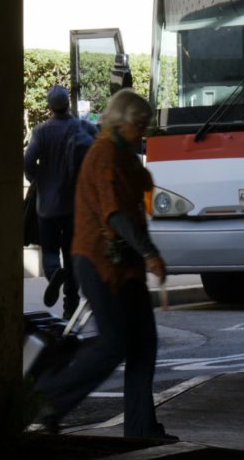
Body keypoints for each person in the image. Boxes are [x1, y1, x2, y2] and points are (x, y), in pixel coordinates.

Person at [34, 89, 175, 440]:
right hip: (99, 262)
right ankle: (47, 397)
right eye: (138, 125)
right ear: (120, 122)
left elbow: (140, 190)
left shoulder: (124, 153)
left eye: (145, 125)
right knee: (113, 344)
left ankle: (141, 428)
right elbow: (115, 215)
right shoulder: (105, 154)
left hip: (124, 265)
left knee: (143, 344)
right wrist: (150, 254)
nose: (142, 131)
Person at [24, 85, 96, 320]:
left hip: (48, 206)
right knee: (72, 253)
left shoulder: (42, 131)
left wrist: (36, 178)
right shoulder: (83, 128)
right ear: (68, 103)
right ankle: (70, 306)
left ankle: (55, 273)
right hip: (76, 206)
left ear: (49, 105)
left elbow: (28, 160)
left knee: (51, 251)